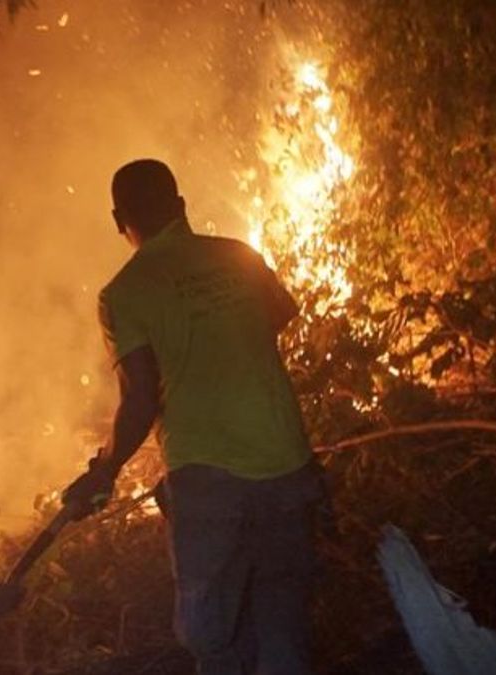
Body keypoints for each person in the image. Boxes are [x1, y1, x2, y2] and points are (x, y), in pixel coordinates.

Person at [62, 159, 324, 675]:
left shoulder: (124, 293)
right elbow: (279, 316)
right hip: (288, 462)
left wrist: (104, 470)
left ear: (119, 220)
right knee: (282, 615)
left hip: (207, 478)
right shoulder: (238, 255)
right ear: (180, 206)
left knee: (210, 632)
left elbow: (139, 399)